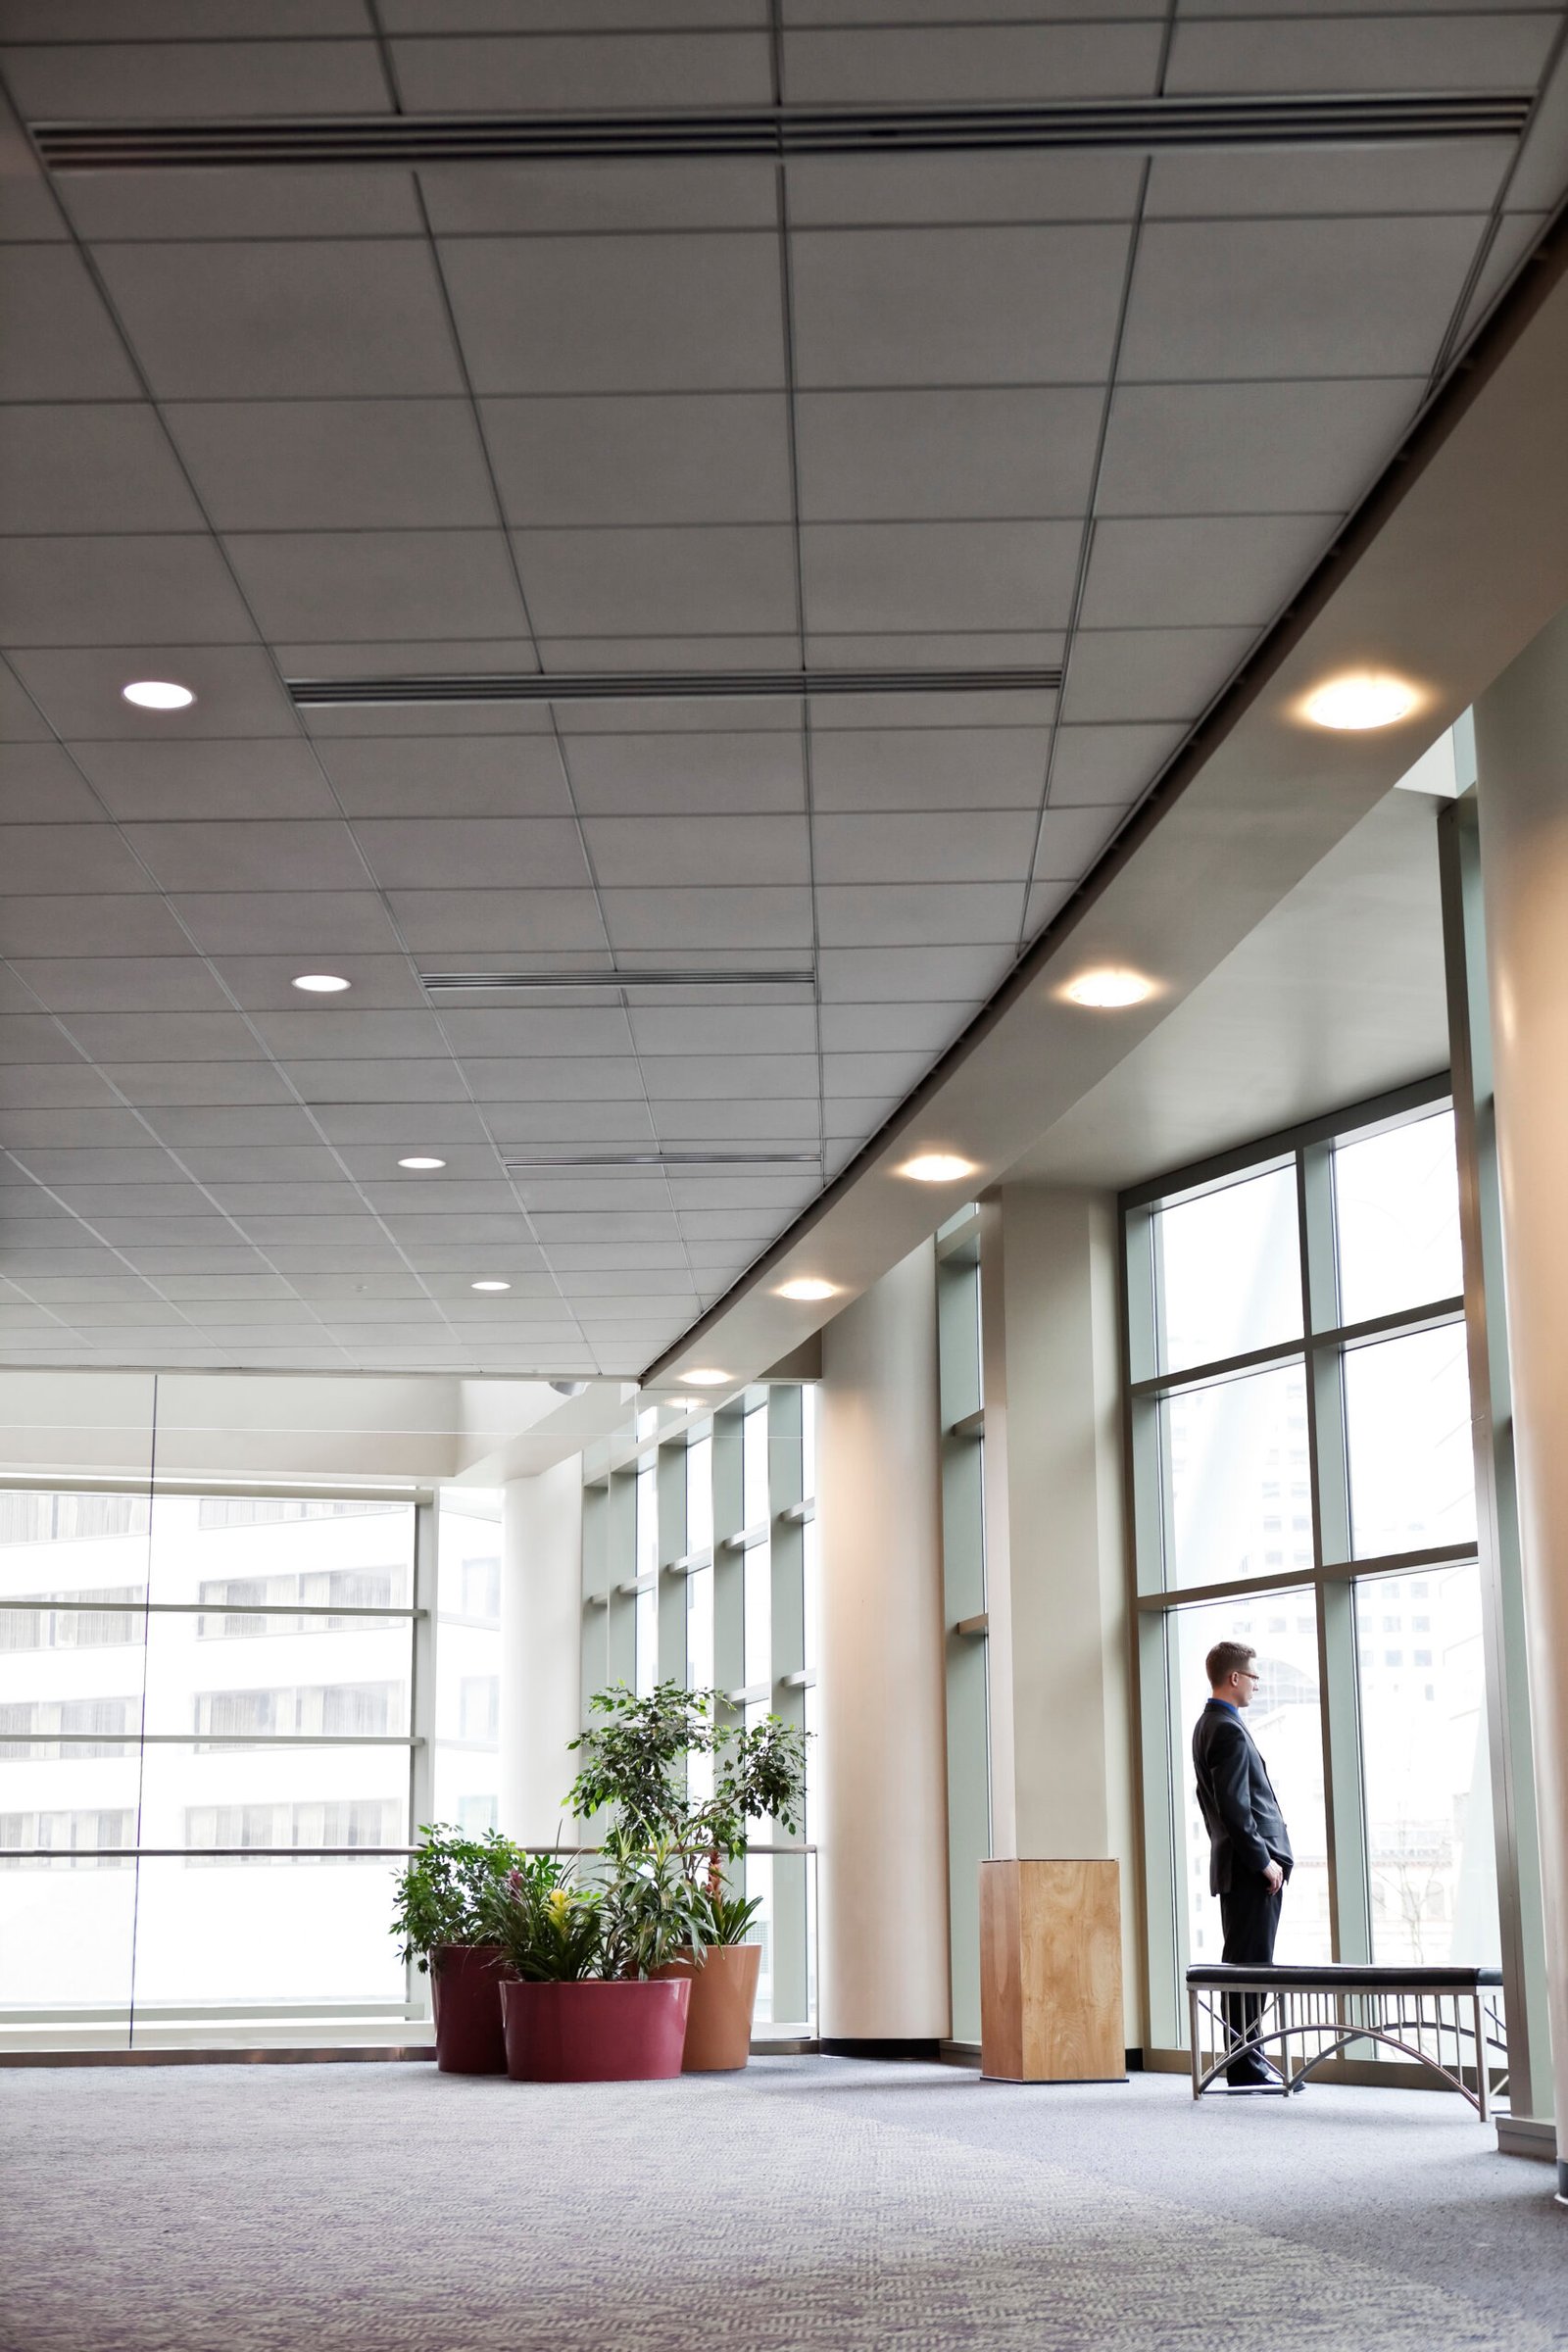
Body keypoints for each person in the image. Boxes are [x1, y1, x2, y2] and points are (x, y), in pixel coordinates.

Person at [1192, 1639, 1294, 2090]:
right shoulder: (1227, 1729)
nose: (1256, 1684)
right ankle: (1246, 2063)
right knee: (1251, 1967)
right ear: (1234, 1678)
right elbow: (1235, 1808)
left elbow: (1212, 1803)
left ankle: (1247, 2059)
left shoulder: (1208, 1724)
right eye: (1253, 1676)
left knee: (1244, 1965)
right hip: (1251, 1871)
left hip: (1238, 1868)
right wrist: (1263, 1861)